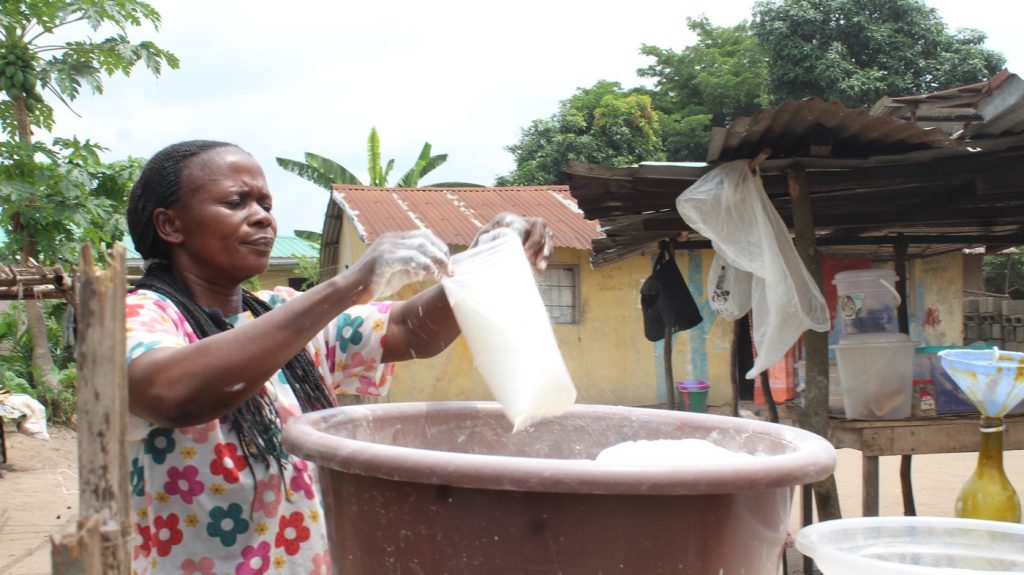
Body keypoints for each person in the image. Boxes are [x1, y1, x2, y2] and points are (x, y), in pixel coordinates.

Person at [124, 140, 553, 574]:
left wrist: (487, 260)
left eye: (266, 203)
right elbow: (169, 392)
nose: (262, 216)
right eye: (237, 202)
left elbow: (409, 329)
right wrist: (349, 284)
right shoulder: (142, 315)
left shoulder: (283, 316)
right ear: (170, 225)